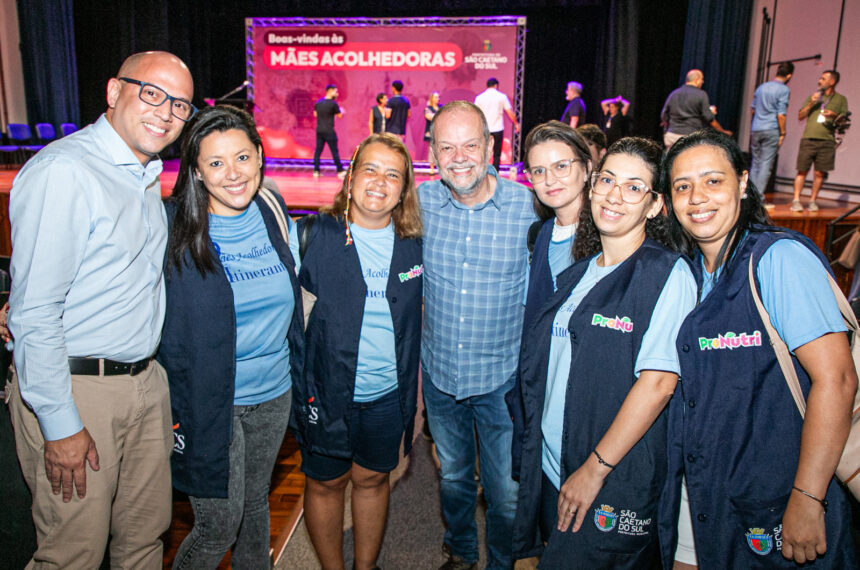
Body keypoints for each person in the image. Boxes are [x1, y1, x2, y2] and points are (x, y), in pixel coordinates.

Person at [5, 51, 194, 569]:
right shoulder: (65, 171)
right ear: (114, 92)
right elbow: (36, 311)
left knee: (144, 541)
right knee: (74, 555)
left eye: (180, 104)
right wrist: (60, 422)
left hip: (143, 384)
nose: (166, 112)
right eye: (152, 93)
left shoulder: (143, 175)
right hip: (77, 390)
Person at [659, 130, 858, 568]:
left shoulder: (778, 259)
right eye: (683, 186)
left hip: (781, 502)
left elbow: (837, 379)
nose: (697, 198)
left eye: (713, 181)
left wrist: (808, 497)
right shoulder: (688, 272)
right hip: (712, 493)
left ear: (743, 183)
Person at [512, 137, 696, 569]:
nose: (615, 195)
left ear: (655, 206)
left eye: (634, 187)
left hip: (609, 478)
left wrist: (594, 470)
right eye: (608, 180)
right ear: (592, 186)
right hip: (554, 466)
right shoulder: (580, 272)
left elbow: (658, 385)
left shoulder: (664, 274)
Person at [159, 105, 304, 568]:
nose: (233, 174)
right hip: (210, 402)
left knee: (256, 502)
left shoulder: (271, 207)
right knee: (218, 525)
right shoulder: (171, 226)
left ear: (260, 156)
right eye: (216, 163)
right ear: (198, 173)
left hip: (274, 393)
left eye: (242, 158)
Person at [293, 133, 423, 570]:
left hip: (387, 396)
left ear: (404, 189)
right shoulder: (312, 235)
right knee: (326, 484)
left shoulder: (414, 245)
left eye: (393, 175)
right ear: (350, 177)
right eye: (370, 169)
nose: (379, 182)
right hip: (325, 394)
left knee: (372, 480)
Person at [420, 100, 536, 570]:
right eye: (447, 147)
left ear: (490, 146)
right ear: (431, 153)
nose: (459, 156)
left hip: (502, 380)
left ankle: (503, 562)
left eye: (470, 144)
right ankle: (462, 551)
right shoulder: (420, 201)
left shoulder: (529, 207)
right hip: (442, 376)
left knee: (506, 494)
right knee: (453, 480)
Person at [790, 70, 850, 212]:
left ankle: (812, 201)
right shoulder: (814, 97)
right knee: (802, 170)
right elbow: (800, 116)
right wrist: (811, 103)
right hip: (809, 138)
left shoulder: (840, 99)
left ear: (832, 82)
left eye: (823, 79)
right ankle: (796, 200)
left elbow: (844, 121)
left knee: (819, 173)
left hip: (827, 140)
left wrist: (833, 114)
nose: (820, 81)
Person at [749, 62, 793, 201]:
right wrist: (783, 132)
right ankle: (758, 198)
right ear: (789, 75)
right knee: (765, 164)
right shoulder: (783, 90)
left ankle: (750, 196)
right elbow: (781, 114)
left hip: (756, 128)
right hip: (771, 129)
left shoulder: (762, 87)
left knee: (755, 163)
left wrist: (756, 123)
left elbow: (753, 109)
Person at [661, 69, 732, 149]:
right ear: (697, 80)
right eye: (702, 79)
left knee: (671, 160)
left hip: (672, 136)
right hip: (690, 138)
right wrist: (722, 131)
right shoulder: (701, 95)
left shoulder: (674, 94)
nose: (702, 82)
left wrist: (668, 125)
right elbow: (709, 118)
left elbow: (664, 115)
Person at [474, 78, 520, 168]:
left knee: (483, 150)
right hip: (498, 128)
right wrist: (516, 123)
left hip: (484, 128)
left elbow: (475, 113)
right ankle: (495, 172)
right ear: (496, 85)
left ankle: (482, 170)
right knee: (497, 152)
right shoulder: (501, 97)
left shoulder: (479, 98)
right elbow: (509, 112)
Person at [313, 84, 345, 178]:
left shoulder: (318, 103)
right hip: (329, 130)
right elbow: (340, 115)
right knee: (334, 151)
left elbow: (315, 114)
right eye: (335, 91)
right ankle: (340, 170)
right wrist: (341, 111)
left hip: (319, 130)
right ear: (330, 91)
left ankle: (316, 171)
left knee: (318, 151)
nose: (337, 94)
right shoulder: (333, 104)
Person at [425, 91, 442, 172]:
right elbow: (429, 116)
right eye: (436, 97)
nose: (438, 99)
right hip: (431, 131)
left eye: (438, 97)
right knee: (432, 149)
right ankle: (431, 168)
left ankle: (440, 167)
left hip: (440, 131)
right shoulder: (428, 108)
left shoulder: (441, 107)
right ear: (432, 98)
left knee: (440, 149)